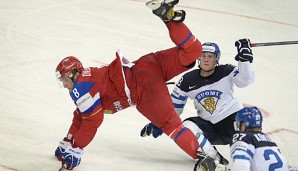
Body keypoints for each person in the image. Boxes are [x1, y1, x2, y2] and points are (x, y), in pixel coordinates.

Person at [54, 0, 209, 170]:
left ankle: (204, 158)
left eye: (65, 81)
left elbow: (91, 122)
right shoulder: (85, 78)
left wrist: (76, 149)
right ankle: (167, 17)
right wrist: (68, 140)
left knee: (171, 124)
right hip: (147, 64)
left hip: (142, 89)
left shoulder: (80, 88)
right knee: (193, 51)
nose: (65, 86)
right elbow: (80, 116)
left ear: (74, 74)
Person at [141, 39, 255, 170]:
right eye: (203, 56)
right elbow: (173, 109)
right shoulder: (187, 80)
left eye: (210, 56)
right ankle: (214, 159)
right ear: (198, 58)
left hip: (232, 119)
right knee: (186, 127)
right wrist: (158, 123)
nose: (206, 59)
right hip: (210, 126)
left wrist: (244, 60)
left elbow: (245, 81)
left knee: (248, 140)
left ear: (216, 59)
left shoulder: (226, 71)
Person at [230, 106, 289, 171]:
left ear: (243, 124)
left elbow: (241, 165)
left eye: (239, 124)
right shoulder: (269, 139)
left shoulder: (242, 137)